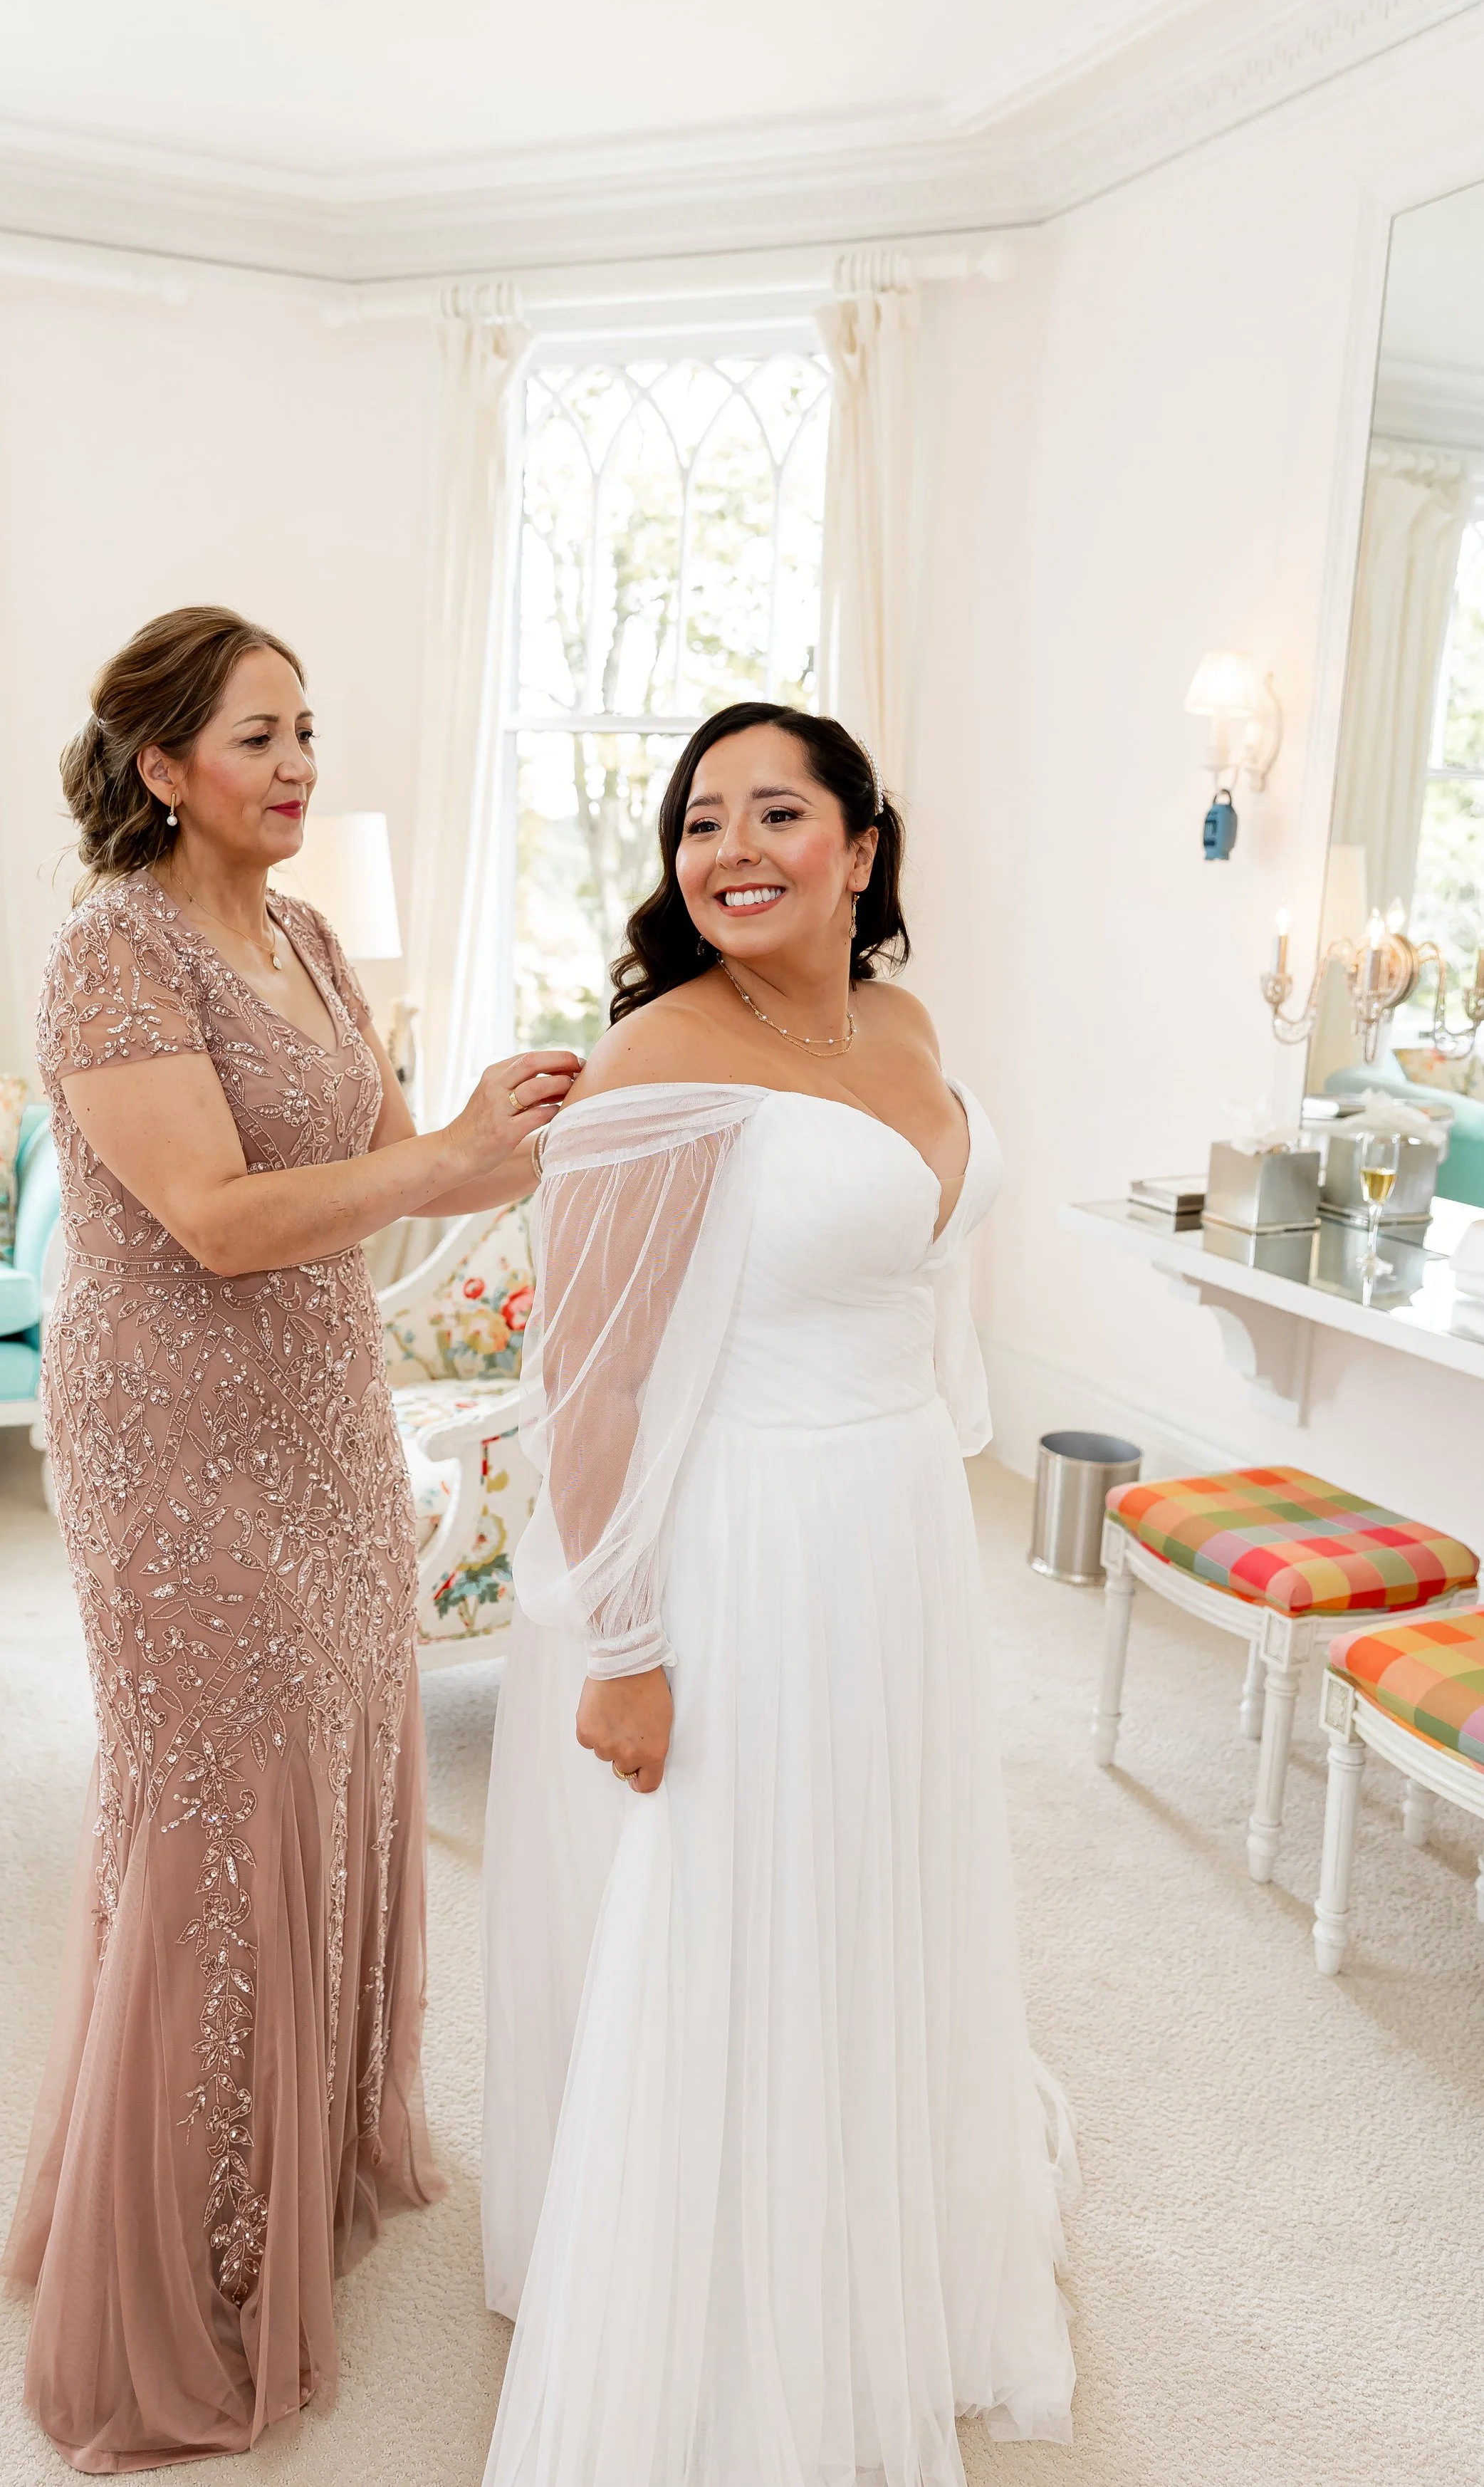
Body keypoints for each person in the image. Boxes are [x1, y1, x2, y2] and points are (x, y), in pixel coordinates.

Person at [3, 604, 577, 2473]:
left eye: (307, 730)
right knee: (206, 1804)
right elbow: (218, 1219)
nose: (298, 763)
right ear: (161, 767)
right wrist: (446, 1159)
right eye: (257, 735)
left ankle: (307, 2159)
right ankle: (185, 2255)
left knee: (332, 1768)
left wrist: (506, 1142)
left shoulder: (314, 935)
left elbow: (385, 1175)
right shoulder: (114, 948)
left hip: (327, 1415)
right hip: (171, 1435)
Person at [481, 702, 1076, 2486]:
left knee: (871, 1881)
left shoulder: (902, 1022)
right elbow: (583, 1382)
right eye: (697, 821)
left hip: (890, 1518)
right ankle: (726, 2293)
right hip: (741, 1533)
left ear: (860, 849)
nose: (729, 848)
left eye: (775, 812)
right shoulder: (658, 1058)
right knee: (737, 1903)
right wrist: (624, 1644)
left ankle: (863, 2216)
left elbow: (924, 1269)